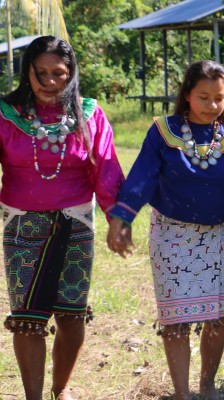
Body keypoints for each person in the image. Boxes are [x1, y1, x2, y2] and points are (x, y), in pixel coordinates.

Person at [106, 60, 224, 400]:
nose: (212, 105)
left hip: (215, 236)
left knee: (217, 317)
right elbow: (142, 177)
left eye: (219, 98)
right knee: (176, 320)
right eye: (203, 97)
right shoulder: (163, 131)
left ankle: (207, 385)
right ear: (187, 95)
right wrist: (123, 217)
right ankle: (181, 392)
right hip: (171, 235)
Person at [0, 35, 124, 400]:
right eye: (42, 73)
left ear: (71, 73)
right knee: (27, 318)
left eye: (59, 73)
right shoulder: (7, 115)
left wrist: (116, 217)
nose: (51, 82)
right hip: (22, 224)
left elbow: (106, 167)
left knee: (71, 315)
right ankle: (33, 397)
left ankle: (61, 388)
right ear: (28, 72)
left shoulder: (88, 113)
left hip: (76, 223)